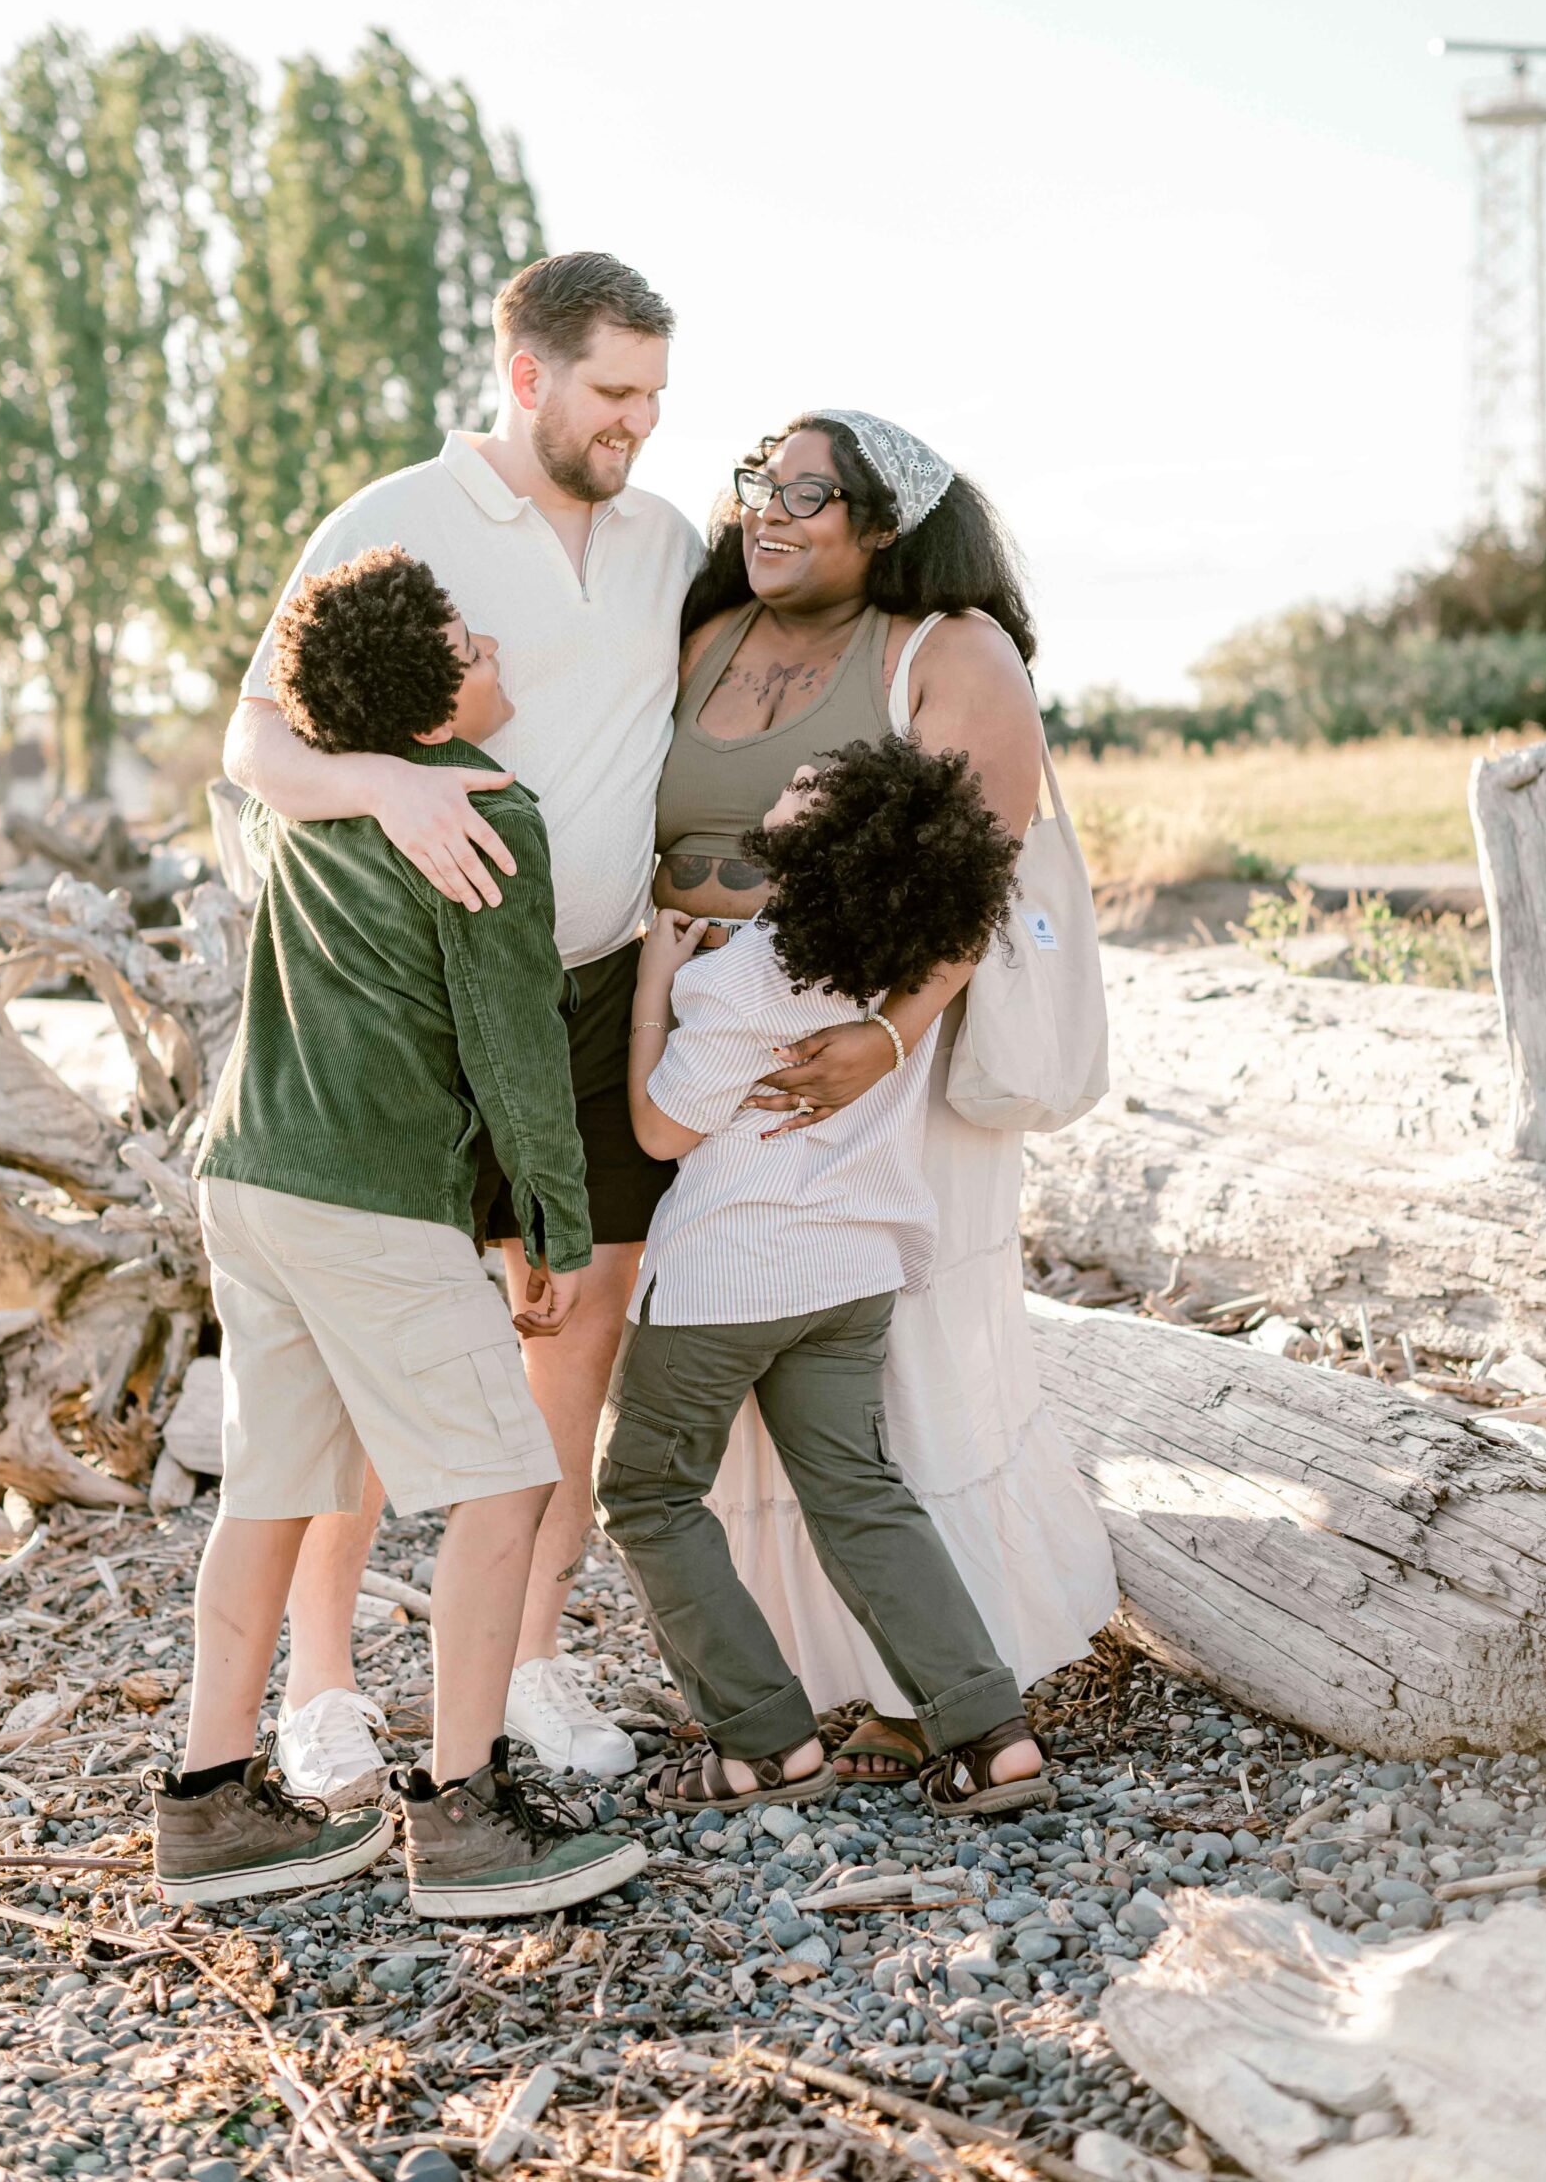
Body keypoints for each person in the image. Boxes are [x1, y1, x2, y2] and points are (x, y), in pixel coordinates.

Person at [221, 252, 704, 1797]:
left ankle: (536, 1663)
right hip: (422, 1017)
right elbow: (254, 737)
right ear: (527, 376)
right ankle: (324, 1687)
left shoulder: (668, 542)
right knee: (379, 1348)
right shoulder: (390, 521)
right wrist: (382, 779)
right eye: (613, 394)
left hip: (597, 988)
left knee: (577, 1335)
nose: (637, 425)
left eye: (653, 397)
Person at [150, 544, 647, 1917]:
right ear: (429, 693)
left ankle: (209, 1808)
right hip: (368, 1193)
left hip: (246, 1176)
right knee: (502, 1483)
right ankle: (471, 1818)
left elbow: (260, 770)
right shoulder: (487, 812)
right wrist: (550, 1219)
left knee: (275, 1482)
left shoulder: (302, 812)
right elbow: (514, 1045)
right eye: (471, 642)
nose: (496, 653)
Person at [653, 409, 1116, 1784]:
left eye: (812, 494)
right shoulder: (707, 640)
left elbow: (978, 869)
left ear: (883, 526)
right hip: (723, 1048)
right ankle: (812, 1670)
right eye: (759, 484)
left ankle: (956, 1679)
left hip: (884, 1070)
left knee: (906, 1364)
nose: (769, 513)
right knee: (751, 1379)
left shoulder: (950, 652)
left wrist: (891, 1036)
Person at [596, 738, 1049, 1816]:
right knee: (857, 1491)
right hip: (850, 1273)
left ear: (829, 846)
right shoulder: (900, 966)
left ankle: (763, 1742)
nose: (785, 786)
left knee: (647, 1492)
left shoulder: (744, 976)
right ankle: (988, 1730)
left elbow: (661, 1131)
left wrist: (655, 989)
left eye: (805, 787)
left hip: (725, 1281)